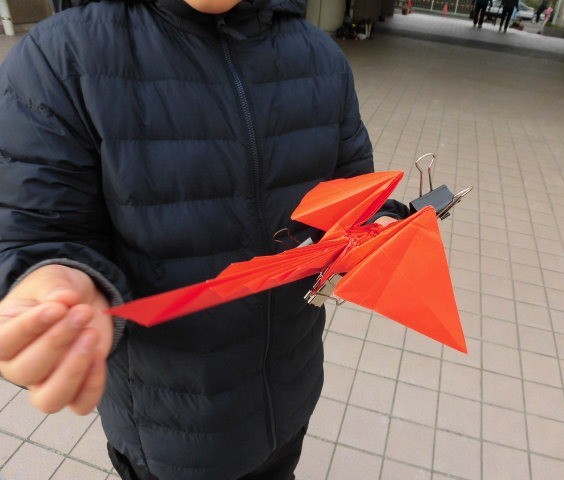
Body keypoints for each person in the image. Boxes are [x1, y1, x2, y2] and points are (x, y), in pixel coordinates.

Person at [0, 1, 408, 479]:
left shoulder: (321, 58)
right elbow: (34, 228)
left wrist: (382, 224)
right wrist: (53, 279)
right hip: (168, 430)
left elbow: (353, 194)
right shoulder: (62, 58)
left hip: (290, 394)